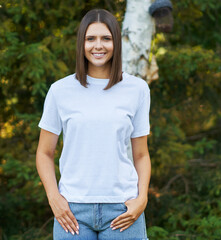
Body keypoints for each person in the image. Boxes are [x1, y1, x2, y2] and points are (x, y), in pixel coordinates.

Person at [36, 9, 151, 240]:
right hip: (72, 211)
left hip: (122, 209)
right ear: (82, 43)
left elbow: (141, 154)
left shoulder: (137, 89)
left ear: (116, 42)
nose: (98, 46)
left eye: (106, 38)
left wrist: (142, 199)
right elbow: (44, 152)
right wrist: (54, 198)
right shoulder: (60, 91)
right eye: (91, 39)